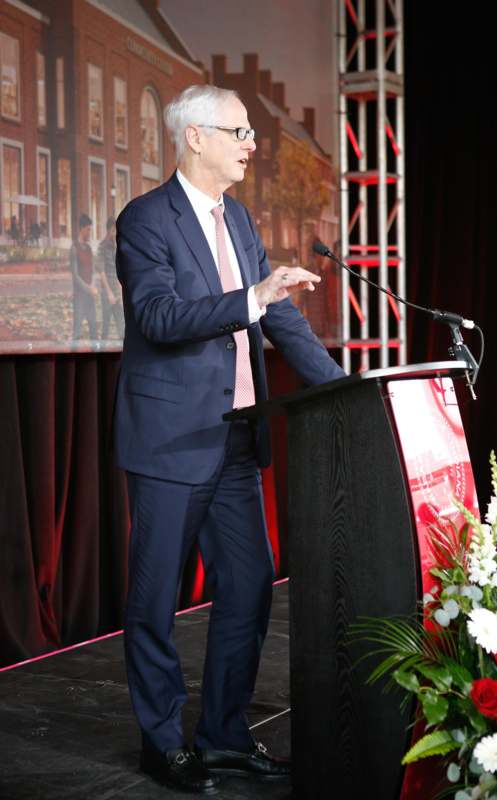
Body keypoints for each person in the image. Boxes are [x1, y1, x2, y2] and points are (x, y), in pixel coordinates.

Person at [114, 84, 345, 794]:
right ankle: (160, 744)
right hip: (170, 443)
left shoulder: (239, 220)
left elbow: (278, 321)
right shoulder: (145, 220)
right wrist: (252, 297)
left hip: (237, 444)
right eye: (238, 131)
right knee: (155, 603)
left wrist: (344, 391)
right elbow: (158, 316)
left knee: (246, 591)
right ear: (194, 137)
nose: (250, 143)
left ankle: (221, 738)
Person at [71, 213, 98, 340]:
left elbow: (93, 271)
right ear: (81, 229)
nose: (89, 233)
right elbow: (75, 276)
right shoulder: (74, 248)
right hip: (79, 297)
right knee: (77, 331)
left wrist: (93, 285)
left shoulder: (89, 248)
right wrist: (89, 288)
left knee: (94, 328)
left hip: (90, 297)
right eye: (88, 230)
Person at [96, 216, 124, 340]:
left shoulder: (116, 246)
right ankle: (102, 354)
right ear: (109, 230)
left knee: (121, 325)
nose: (116, 233)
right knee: (106, 326)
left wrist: (120, 290)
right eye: (114, 230)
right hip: (107, 293)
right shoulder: (102, 247)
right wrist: (109, 293)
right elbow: (101, 272)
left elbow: (119, 269)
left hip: (116, 292)